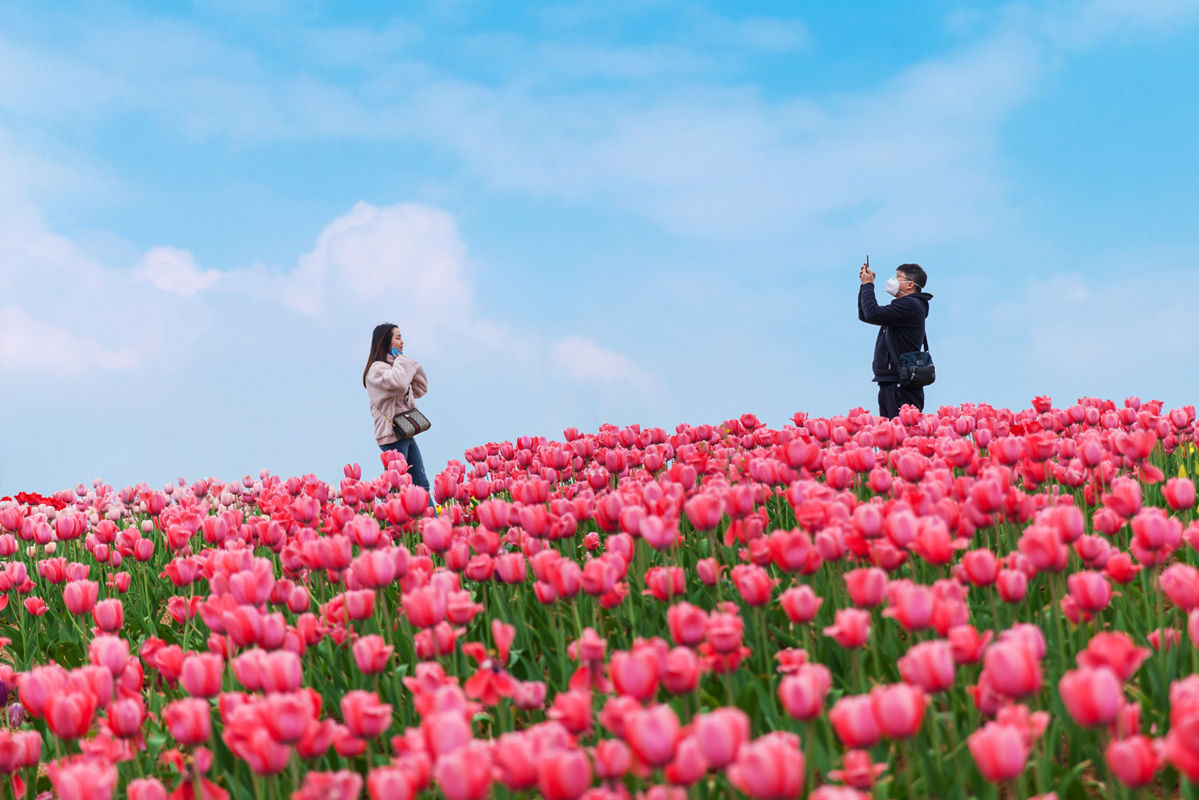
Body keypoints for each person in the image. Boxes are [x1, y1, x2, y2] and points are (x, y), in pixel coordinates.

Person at [858, 262, 934, 418]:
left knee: (902, 437)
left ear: (910, 285)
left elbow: (873, 313)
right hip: (890, 381)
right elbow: (866, 315)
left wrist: (868, 285)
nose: (893, 280)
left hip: (901, 384)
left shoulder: (911, 305)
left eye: (898, 277)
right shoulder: (904, 306)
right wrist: (864, 286)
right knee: (891, 438)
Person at [363, 323, 432, 494]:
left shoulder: (397, 367)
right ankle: (392, 518)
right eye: (398, 338)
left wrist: (410, 363)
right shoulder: (376, 370)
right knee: (397, 487)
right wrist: (403, 361)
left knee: (421, 484)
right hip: (391, 436)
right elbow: (400, 383)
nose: (402, 342)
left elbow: (421, 389)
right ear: (386, 341)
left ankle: (432, 521)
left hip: (406, 431)